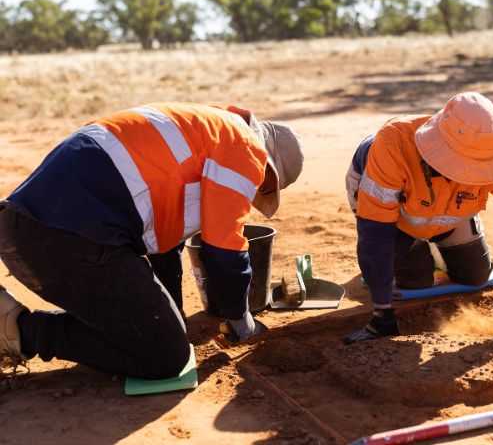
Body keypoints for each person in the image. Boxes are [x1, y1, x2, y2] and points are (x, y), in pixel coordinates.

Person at [0, 102, 304, 380]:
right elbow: (224, 251)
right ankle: (22, 331)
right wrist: (240, 321)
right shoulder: (244, 147)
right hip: (67, 237)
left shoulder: (204, 128)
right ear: (268, 170)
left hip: (32, 226)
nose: (254, 192)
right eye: (264, 186)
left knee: (157, 331)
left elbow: (165, 245)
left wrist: (170, 317)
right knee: (167, 359)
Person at [344, 92, 493, 347]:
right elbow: (375, 232)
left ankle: (436, 248)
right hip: (397, 214)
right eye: (463, 167)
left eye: (478, 170)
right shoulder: (393, 145)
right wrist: (381, 312)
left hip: (451, 212)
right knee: (415, 280)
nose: (469, 174)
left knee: (476, 276)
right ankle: (408, 256)